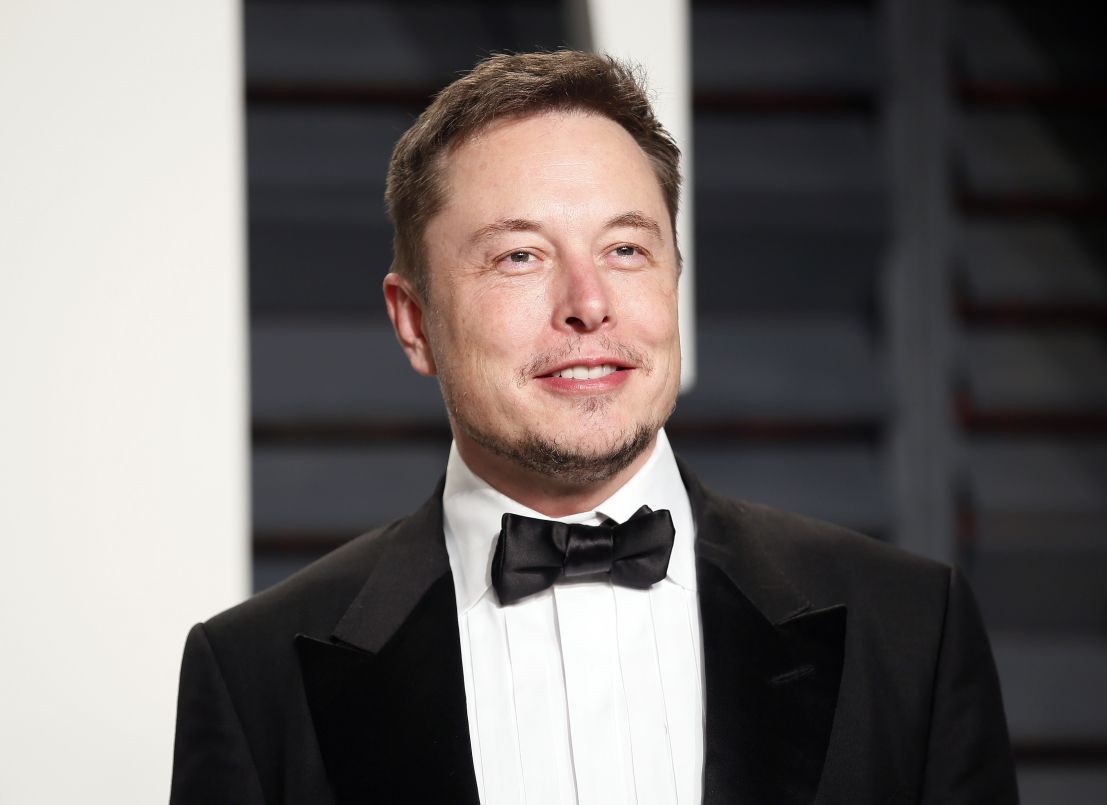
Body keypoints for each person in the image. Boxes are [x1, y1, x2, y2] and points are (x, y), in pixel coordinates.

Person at [170, 50, 1018, 805]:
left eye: (625, 249)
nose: (588, 304)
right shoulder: (253, 679)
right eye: (520, 256)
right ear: (415, 322)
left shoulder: (912, 631)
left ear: (675, 280)